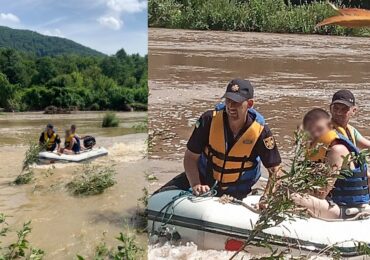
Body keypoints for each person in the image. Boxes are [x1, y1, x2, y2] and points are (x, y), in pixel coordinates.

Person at [156, 79, 282, 206]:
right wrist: (196, 184)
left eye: (236, 102)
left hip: (237, 190)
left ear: (249, 104)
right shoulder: (209, 120)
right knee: (155, 201)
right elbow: (190, 157)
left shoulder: (261, 132)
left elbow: (275, 170)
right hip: (203, 179)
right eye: (228, 100)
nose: (231, 106)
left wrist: (266, 198)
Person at [292, 108, 370, 219]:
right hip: (338, 204)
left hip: (345, 209)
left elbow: (321, 193)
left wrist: (296, 192)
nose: (314, 133)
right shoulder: (322, 148)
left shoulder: (337, 150)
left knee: (292, 197)